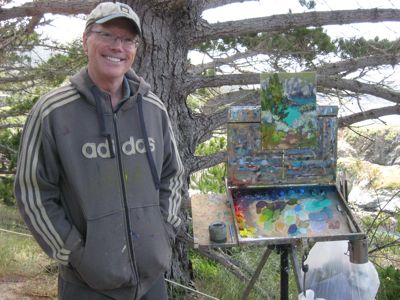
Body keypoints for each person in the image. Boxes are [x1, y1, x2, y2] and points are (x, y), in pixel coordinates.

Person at [14, 2, 184, 299]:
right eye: (107, 35)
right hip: (86, 284)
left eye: (127, 40)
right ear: (85, 40)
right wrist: (76, 255)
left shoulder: (153, 108)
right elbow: (33, 194)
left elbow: (174, 175)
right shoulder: (52, 112)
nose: (117, 47)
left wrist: (164, 232)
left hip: (151, 282)